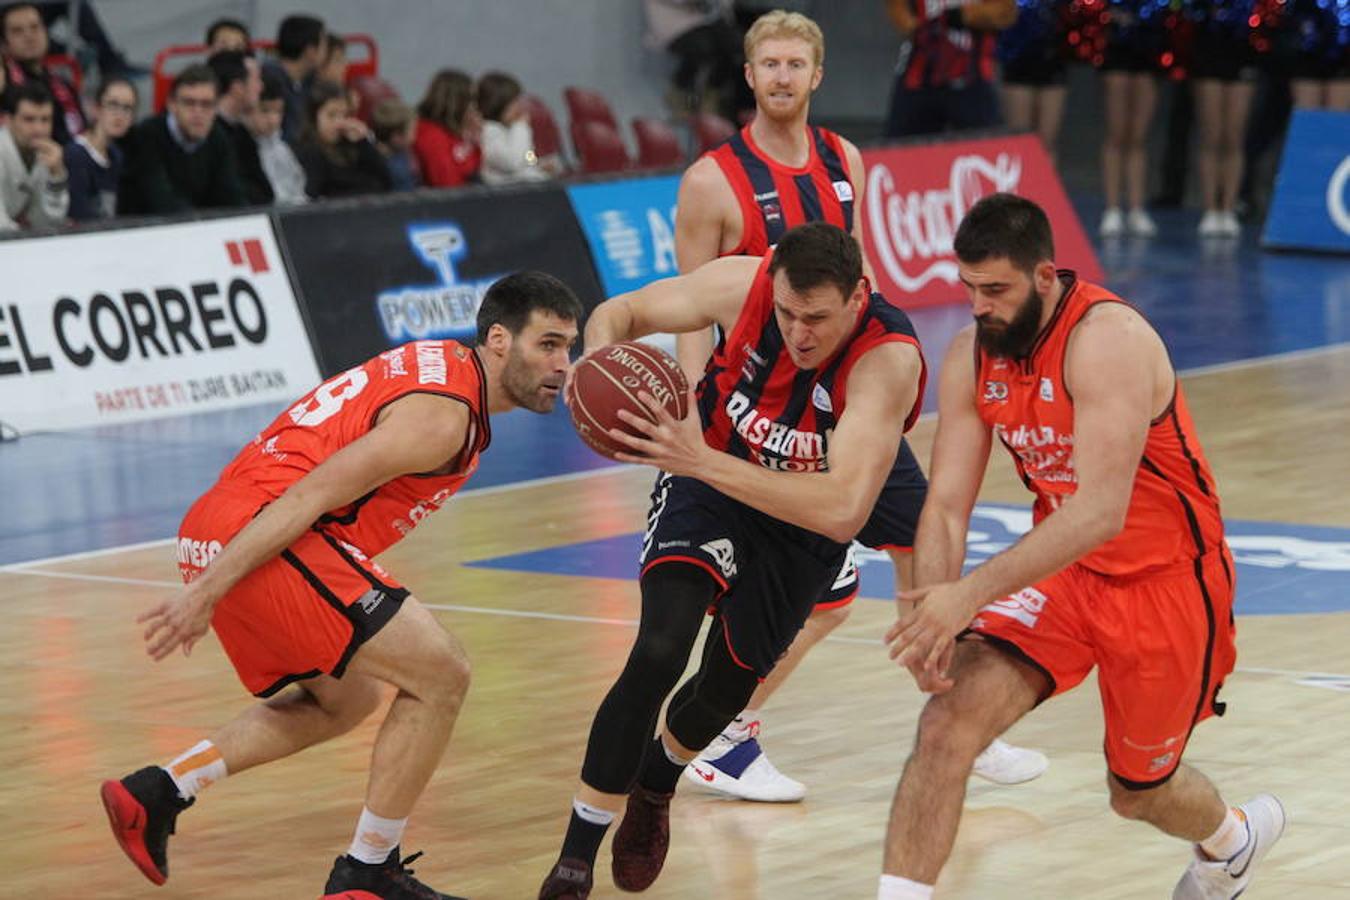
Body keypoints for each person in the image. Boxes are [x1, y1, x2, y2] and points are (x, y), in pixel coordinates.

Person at [99, 271, 583, 900]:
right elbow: (312, 493)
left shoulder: (444, 368)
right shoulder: (441, 419)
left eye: (568, 347)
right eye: (546, 344)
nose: (562, 365)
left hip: (226, 522)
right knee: (441, 673)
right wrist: (209, 590)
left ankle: (159, 791)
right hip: (264, 532)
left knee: (346, 700)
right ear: (498, 339)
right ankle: (367, 874)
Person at [671, 8, 1046, 803]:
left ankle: (954, 719)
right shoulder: (710, 182)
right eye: (765, 64)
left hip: (845, 409)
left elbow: (860, 276)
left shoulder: (844, 158)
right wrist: (696, 422)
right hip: (758, 421)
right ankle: (719, 733)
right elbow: (687, 312)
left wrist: (886, 371)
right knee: (817, 599)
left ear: (817, 75)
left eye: (792, 65)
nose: (779, 76)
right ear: (748, 77)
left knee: (924, 542)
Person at [877, 193, 1286, 900]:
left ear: (1044, 277)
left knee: (1137, 790)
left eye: (996, 290)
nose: (979, 307)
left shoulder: (1109, 340)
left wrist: (967, 595)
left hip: (1166, 583)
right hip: (1064, 576)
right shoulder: (974, 353)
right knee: (946, 727)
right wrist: (934, 618)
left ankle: (1231, 839)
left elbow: (1100, 511)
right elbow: (945, 504)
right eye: (969, 288)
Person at [537, 221, 927, 899]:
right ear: (770, 283)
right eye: (786, 313)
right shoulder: (739, 284)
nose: (799, 333)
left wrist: (701, 460)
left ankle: (655, 787)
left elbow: (841, 510)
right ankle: (574, 860)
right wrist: (597, 358)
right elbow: (623, 311)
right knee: (659, 649)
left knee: (725, 686)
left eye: (818, 319)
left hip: (800, 519)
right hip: (706, 484)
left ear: (859, 297)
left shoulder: (886, 362)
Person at [117, 63, 247, 215]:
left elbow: (233, 197)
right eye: (189, 103)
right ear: (172, 104)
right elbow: (160, 201)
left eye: (206, 104)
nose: (198, 112)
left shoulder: (218, 138)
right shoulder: (146, 136)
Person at [882, 0, 1016, 138]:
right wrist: (919, 29)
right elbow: (898, 12)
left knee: (987, 148)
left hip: (972, 76)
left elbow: (1006, 13)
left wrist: (963, 15)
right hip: (918, 74)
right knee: (901, 147)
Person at [1095, 0, 1165, 237]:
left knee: (1138, 136)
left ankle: (1136, 208)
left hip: (1149, 47)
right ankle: (1113, 208)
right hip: (1117, 47)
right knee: (1117, 133)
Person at [1189, 0, 1256, 237]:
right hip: (1209, 47)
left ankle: (1228, 208)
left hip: (1243, 47)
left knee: (1234, 134)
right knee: (1211, 134)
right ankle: (1210, 208)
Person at [1, 2, 84, 144]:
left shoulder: (64, 85)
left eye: (35, 27)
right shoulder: (5, 86)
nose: (29, 36)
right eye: (17, 31)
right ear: (4, 44)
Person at [997, 0, 1069, 163]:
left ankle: (1046, 187)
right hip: (1017, 58)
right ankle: (1019, 185)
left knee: (1048, 142)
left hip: (1052, 57)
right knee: (1019, 141)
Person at [295, 79, 391, 198]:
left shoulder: (352, 144)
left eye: (344, 115)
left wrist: (363, 142)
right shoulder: (309, 152)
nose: (339, 123)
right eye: (331, 115)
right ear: (314, 117)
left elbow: (387, 180)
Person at [63, 74, 134, 221]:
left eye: (127, 108)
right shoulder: (76, 155)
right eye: (113, 105)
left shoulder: (116, 155)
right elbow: (78, 214)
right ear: (96, 108)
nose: (120, 115)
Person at [0, 79, 66, 230]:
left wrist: (57, 175)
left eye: (45, 120)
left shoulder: (44, 155)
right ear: (8, 120)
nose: (38, 129)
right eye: (29, 120)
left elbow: (46, 222)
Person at [207, 49, 271, 205]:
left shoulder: (242, 133)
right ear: (237, 87)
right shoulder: (208, 135)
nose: (261, 87)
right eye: (256, 80)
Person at [476, 70, 554, 184]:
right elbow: (512, 162)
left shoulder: (510, 129)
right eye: (514, 102)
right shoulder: (488, 132)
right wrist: (521, 126)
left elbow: (527, 155)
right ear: (498, 104)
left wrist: (537, 164)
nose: (519, 107)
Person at [261, 13, 327, 144]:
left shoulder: (309, 80)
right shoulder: (269, 79)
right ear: (311, 51)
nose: (326, 51)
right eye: (324, 44)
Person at [413, 68, 480, 188]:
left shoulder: (457, 133)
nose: (474, 107)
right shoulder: (431, 136)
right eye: (471, 100)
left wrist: (475, 142)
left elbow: (525, 158)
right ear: (457, 102)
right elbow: (447, 184)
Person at [249, 68, 307, 204]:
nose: (273, 120)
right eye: (265, 110)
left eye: (278, 111)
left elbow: (298, 186)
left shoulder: (281, 148)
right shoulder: (243, 151)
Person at [371, 98, 419, 190]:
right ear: (396, 137)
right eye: (412, 131)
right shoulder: (392, 169)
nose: (414, 137)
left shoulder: (402, 154)